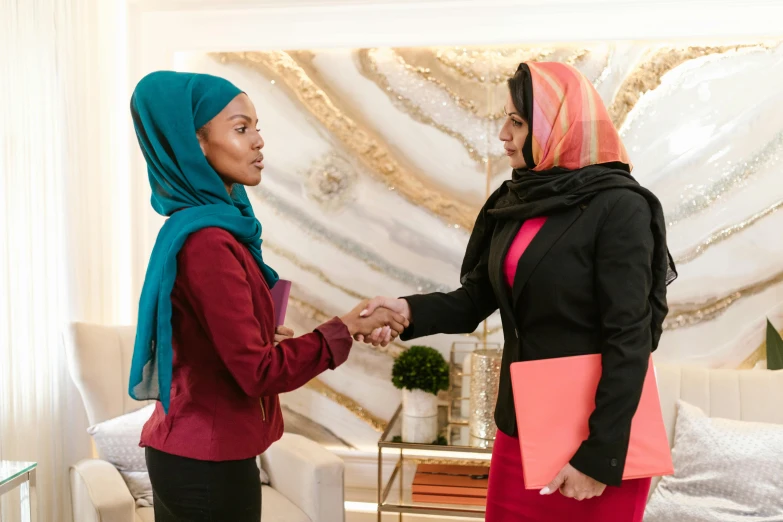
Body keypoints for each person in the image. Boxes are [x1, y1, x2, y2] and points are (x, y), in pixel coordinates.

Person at [358, 61, 676, 522]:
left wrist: (597, 458)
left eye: (519, 121)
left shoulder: (619, 206)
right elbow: (474, 301)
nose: (503, 133)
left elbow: (630, 338)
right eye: (505, 119)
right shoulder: (515, 202)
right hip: (523, 425)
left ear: (557, 126)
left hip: (596, 433)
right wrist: (403, 310)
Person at [127, 71, 408, 522]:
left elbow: (214, 350)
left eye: (257, 127)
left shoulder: (208, 230)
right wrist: (346, 327)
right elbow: (258, 373)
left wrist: (261, 336)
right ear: (195, 144)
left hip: (200, 455)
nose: (258, 141)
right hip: (206, 464)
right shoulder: (209, 243)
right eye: (241, 128)